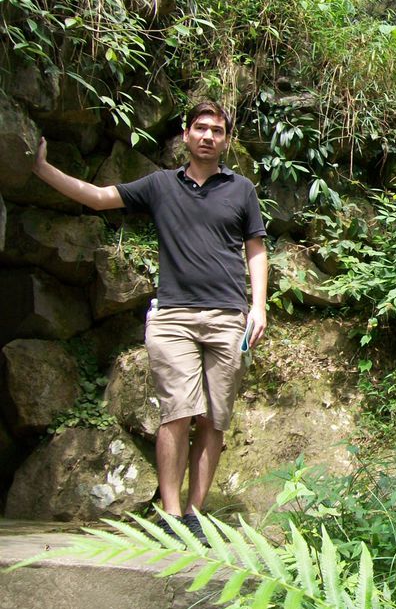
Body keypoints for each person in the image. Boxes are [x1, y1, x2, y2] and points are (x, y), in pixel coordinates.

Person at [32, 100, 268, 543]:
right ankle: (172, 515)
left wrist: (259, 306)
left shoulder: (242, 190)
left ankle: (197, 517)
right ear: (185, 133)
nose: (207, 136)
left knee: (215, 419)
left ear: (226, 140)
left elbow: (256, 249)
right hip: (173, 316)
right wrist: (44, 171)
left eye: (217, 130)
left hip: (228, 318)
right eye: (200, 128)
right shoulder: (161, 185)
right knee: (177, 413)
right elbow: (101, 198)